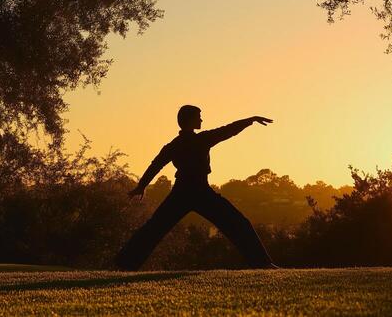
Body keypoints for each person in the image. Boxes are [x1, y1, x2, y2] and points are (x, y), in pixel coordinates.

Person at [115, 105, 278, 270]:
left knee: (154, 228)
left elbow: (155, 165)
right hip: (198, 191)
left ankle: (124, 265)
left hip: (184, 192)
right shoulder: (201, 139)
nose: (201, 119)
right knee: (238, 223)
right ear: (190, 120)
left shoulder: (175, 144)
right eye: (198, 116)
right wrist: (250, 120)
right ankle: (262, 263)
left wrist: (142, 186)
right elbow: (227, 130)